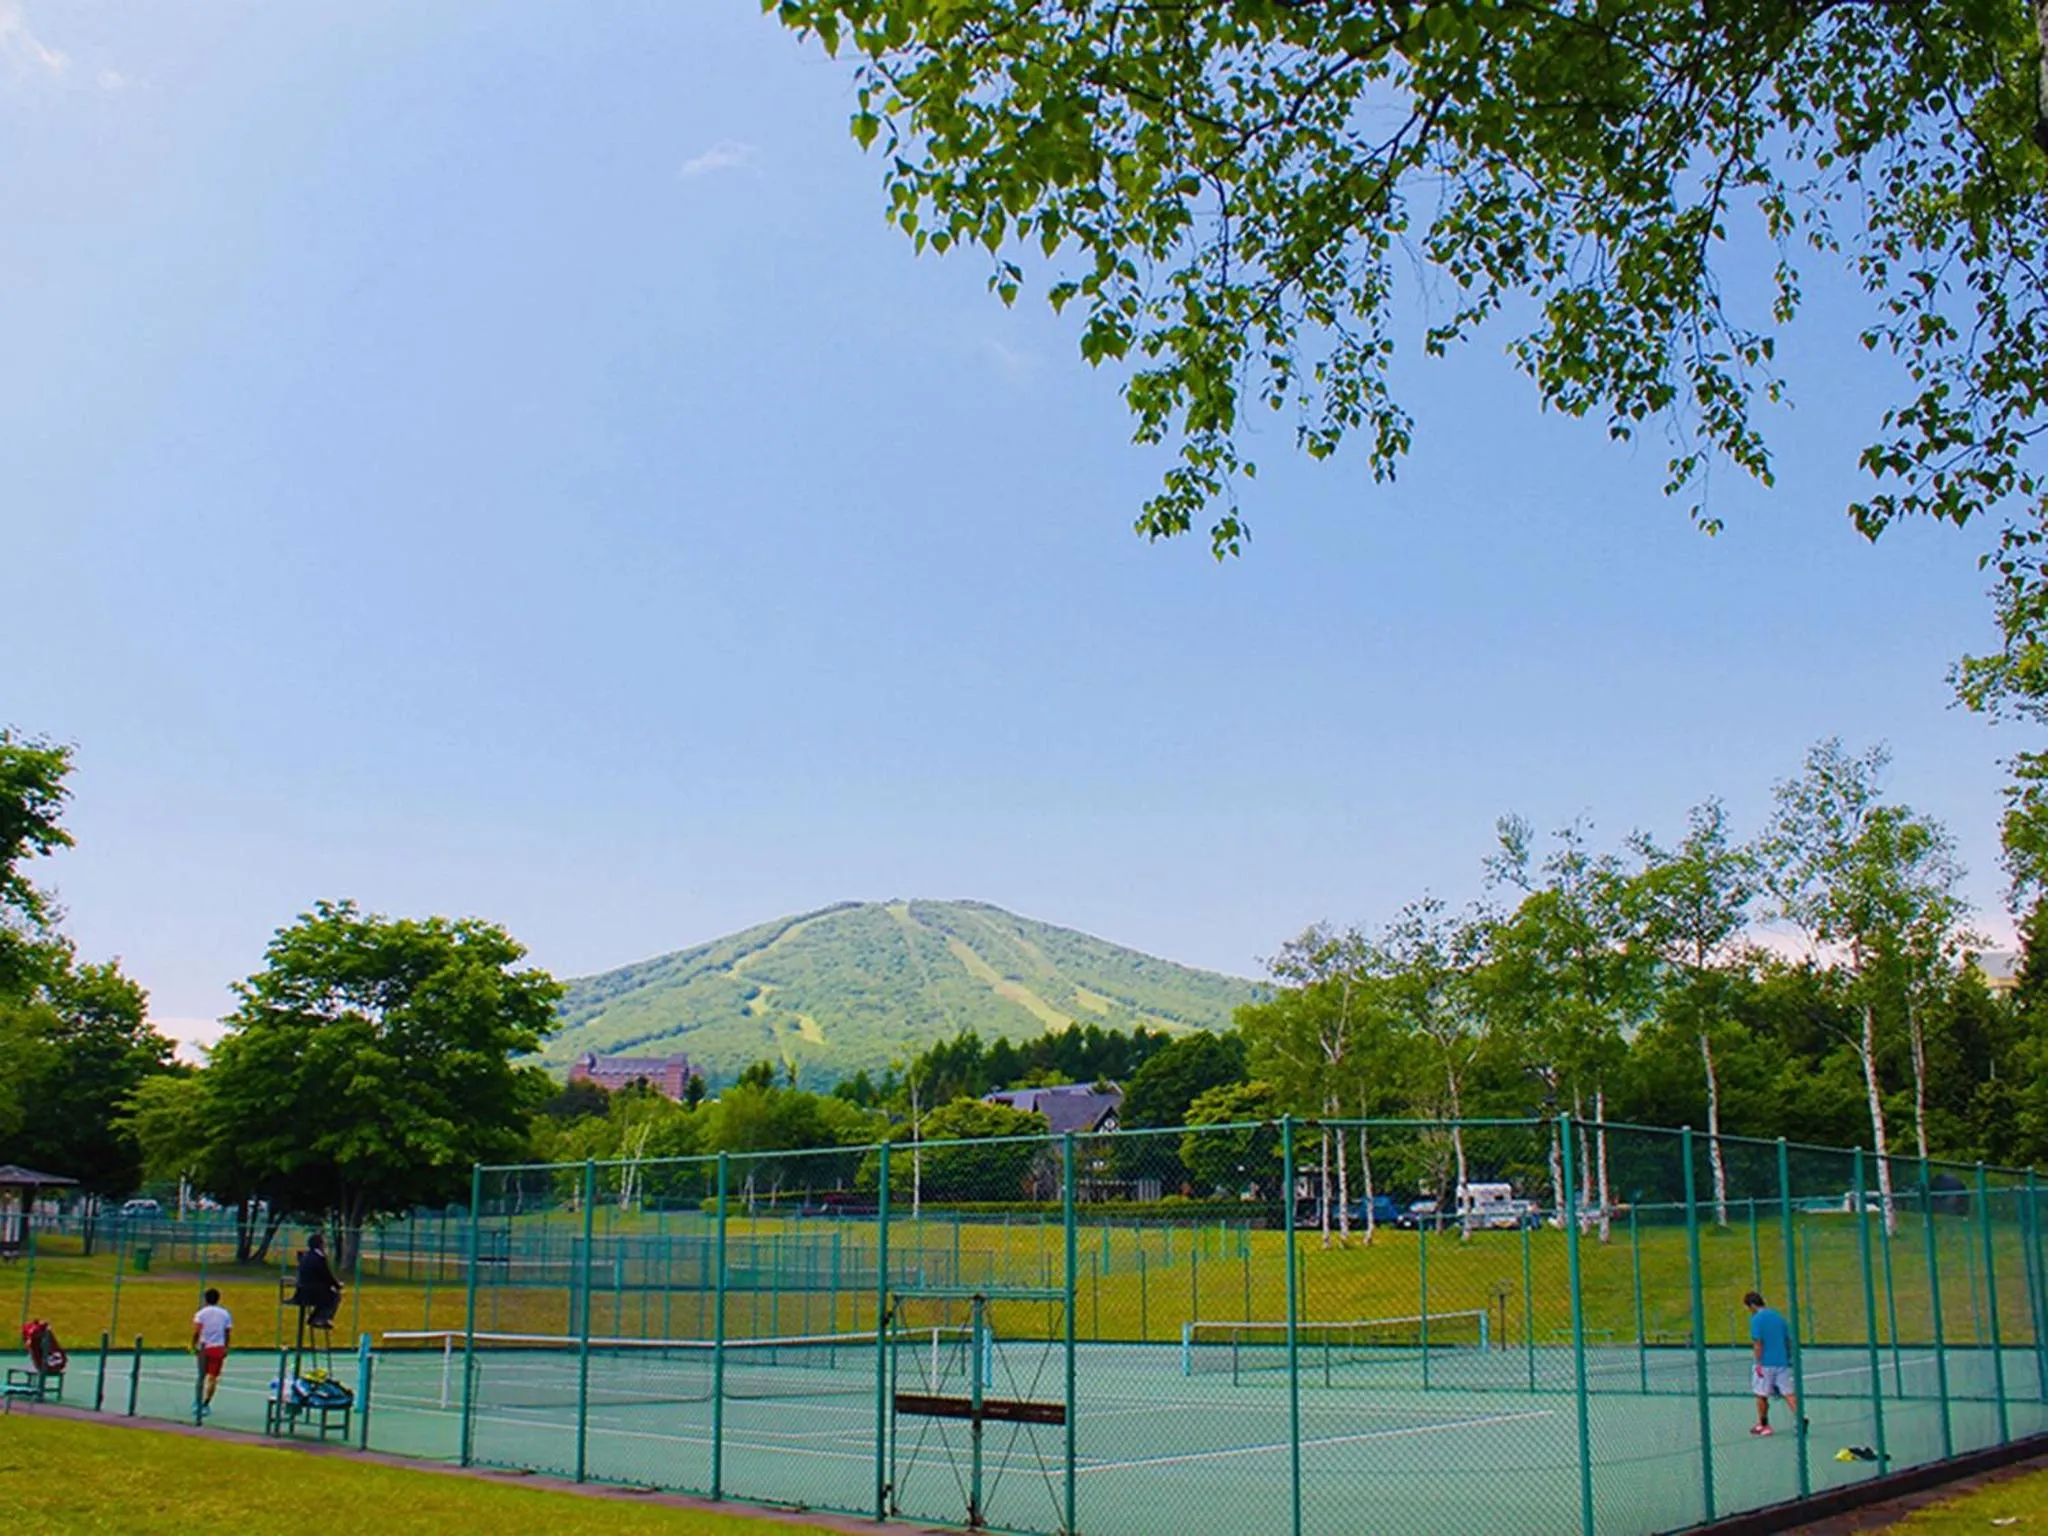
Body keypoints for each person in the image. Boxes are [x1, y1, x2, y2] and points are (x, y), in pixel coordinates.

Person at [1744, 1289, 1801, 1437]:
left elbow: (1758, 1342)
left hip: (1766, 1363)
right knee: (1789, 1393)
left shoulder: (1756, 1319)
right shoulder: (1778, 1317)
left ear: (1752, 1305)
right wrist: (1787, 1357)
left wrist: (1758, 1363)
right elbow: (1787, 1340)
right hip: (1782, 1362)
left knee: (1761, 1395)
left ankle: (1764, 1425)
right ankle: (1800, 1417)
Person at [191, 1288, 232, 1419]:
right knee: (213, 1378)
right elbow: (227, 1332)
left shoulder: (201, 1313)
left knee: (201, 1376)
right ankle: (206, 1403)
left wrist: (193, 1344)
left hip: (204, 1347)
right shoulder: (225, 1313)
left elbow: (197, 1331)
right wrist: (226, 1347)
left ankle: (197, 1403)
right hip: (218, 1347)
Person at [291, 1231, 343, 1331]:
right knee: (334, 1296)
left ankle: (315, 1318)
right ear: (320, 1245)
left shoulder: (306, 1256)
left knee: (326, 1296)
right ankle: (321, 1319)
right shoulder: (319, 1258)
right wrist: (337, 1285)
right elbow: (326, 1276)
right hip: (312, 1293)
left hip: (302, 1291)